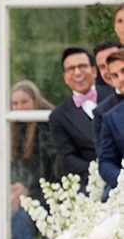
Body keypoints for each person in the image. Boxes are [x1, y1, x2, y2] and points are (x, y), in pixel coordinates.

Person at [49, 46, 114, 191]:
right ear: (65, 77)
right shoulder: (58, 116)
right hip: (90, 184)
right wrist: (99, 174)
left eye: (82, 66)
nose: (78, 72)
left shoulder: (115, 95)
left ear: (94, 71)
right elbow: (67, 158)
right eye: (71, 69)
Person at [9, 80, 56, 239]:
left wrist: (27, 188)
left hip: (47, 190)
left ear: (34, 102)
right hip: (28, 189)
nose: (19, 107)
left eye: (24, 102)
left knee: (21, 213)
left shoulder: (45, 124)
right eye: (15, 103)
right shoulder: (14, 125)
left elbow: (48, 165)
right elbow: (11, 163)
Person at [97, 49, 124, 197]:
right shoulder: (110, 117)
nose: (121, 79)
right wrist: (121, 179)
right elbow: (106, 162)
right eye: (115, 75)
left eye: (123, 71)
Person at [93, 41, 124, 146]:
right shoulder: (101, 112)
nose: (109, 69)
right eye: (102, 67)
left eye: (112, 60)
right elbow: (105, 155)